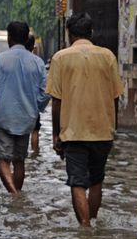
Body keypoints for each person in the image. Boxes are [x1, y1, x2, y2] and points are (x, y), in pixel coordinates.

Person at [46, 12, 124, 226]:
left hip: (73, 132)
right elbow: (115, 97)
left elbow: (57, 101)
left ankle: (85, 227)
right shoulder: (108, 56)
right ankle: (92, 222)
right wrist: (112, 126)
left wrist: (56, 134)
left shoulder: (61, 58)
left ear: (69, 33)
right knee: (97, 180)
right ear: (91, 32)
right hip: (102, 131)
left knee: (77, 182)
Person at [0, 21, 48, 194]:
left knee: (2, 159)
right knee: (19, 160)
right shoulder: (37, 62)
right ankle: (17, 194)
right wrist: (37, 108)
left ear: (9, 38)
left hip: (3, 117)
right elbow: (45, 93)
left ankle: (14, 195)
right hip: (27, 118)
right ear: (27, 38)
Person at [24, 31, 43, 154]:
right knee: (35, 131)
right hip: (33, 103)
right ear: (33, 47)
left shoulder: (15, 60)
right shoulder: (37, 62)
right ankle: (35, 154)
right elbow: (44, 88)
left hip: (18, 103)